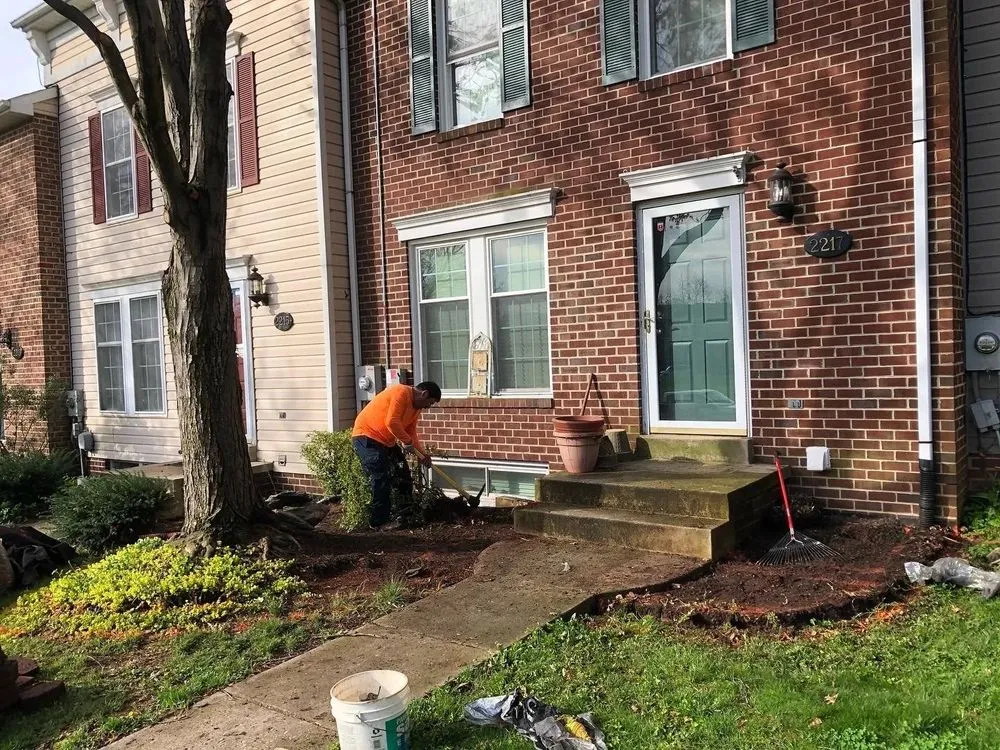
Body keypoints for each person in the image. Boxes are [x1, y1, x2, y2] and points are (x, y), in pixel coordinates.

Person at [351, 381, 442, 529]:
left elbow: (411, 431)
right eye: (429, 403)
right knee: (380, 477)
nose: (428, 407)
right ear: (424, 394)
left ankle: (406, 514)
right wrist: (406, 442)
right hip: (366, 437)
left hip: (386, 441)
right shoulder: (401, 392)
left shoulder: (416, 408)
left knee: (403, 475)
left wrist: (422, 455)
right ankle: (379, 523)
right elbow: (392, 422)